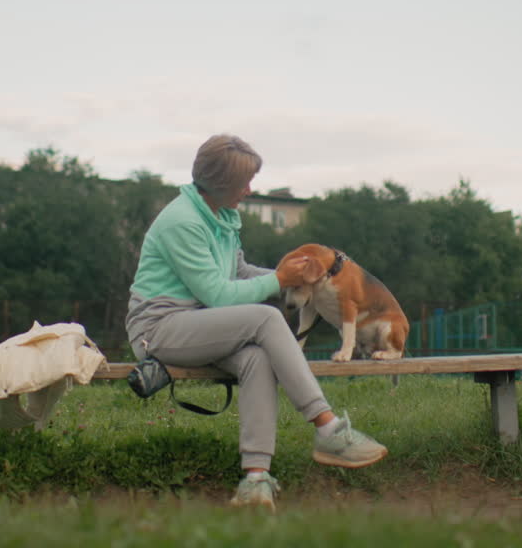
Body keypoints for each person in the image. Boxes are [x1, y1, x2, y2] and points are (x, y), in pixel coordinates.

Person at [125, 134, 387, 511]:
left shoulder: (221, 217)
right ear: (221, 184)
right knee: (265, 319)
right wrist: (277, 282)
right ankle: (327, 427)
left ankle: (255, 478)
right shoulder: (181, 222)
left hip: (201, 323)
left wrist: (293, 279)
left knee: (257, 360)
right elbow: (217, 293)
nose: (250, 189)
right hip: (160, 329)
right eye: (244, 182)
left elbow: (239, 272)